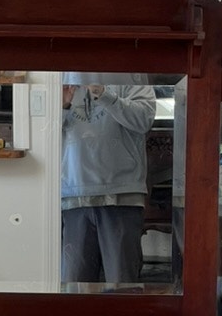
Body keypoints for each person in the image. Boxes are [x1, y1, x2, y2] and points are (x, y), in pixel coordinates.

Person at [60, 73, 156, 286]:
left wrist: (104, 94)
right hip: (73, 195)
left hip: (122, 195)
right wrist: (63, 106)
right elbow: (42, 133)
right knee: (73, 290)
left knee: (122, 286)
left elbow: (145, 120)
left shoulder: (133, 73)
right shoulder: (61, 74)